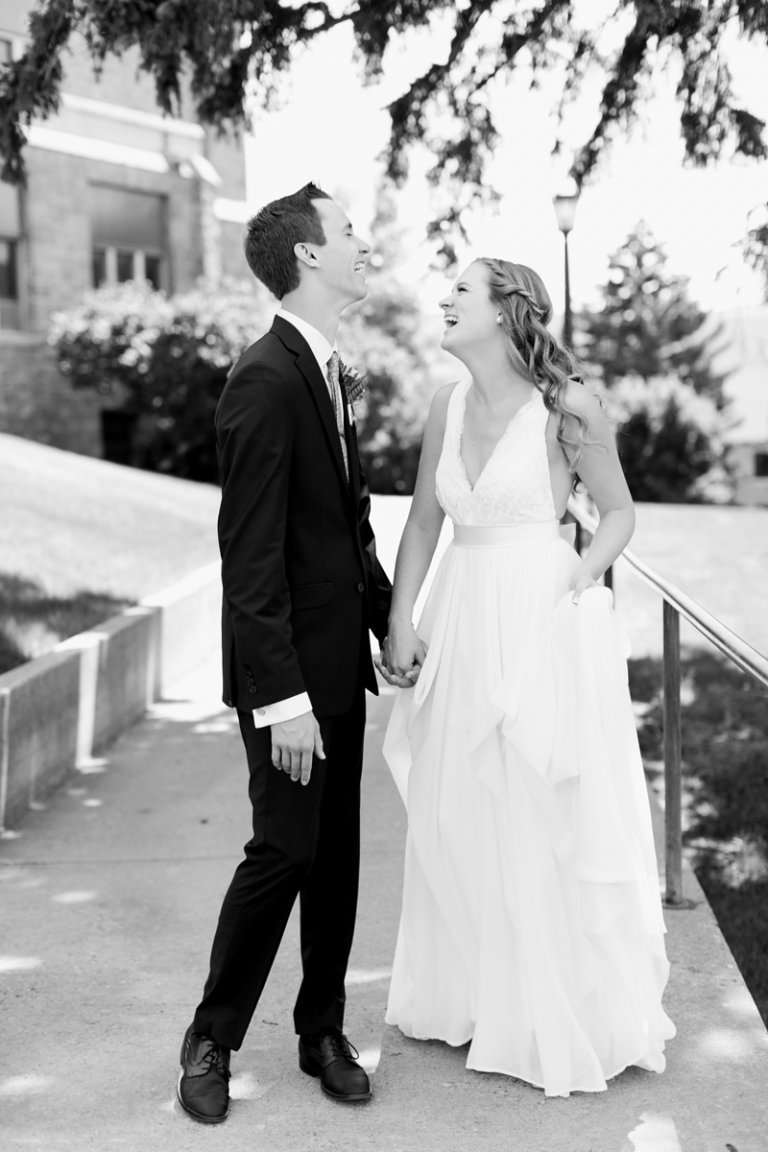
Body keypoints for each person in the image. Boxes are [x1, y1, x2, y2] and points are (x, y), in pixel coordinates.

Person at [378, 258, 675, 1098]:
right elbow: (426, 520)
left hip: (534, 610)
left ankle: (546, 1005)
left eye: (461, 291)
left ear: (508, 311)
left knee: (531, 800)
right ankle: (475, 995)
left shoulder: (566, 405)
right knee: (458, 799)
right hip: (460, 612)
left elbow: (617, 511)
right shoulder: (446, 404)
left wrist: (584, 574)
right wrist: (402, 617)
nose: (444, 299)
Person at [177, 183, 392, 1123]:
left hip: (339, 665)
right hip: (289, 684)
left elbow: (347, 527)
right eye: (348, 231)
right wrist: (284, 700)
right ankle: (210, 1037)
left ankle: (320, 1029)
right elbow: (250, 555)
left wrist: (389, 623)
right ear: (308, 255)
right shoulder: (263, 378)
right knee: (282, 853)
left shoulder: (331, 368)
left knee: (335, 856)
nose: (362, 242)